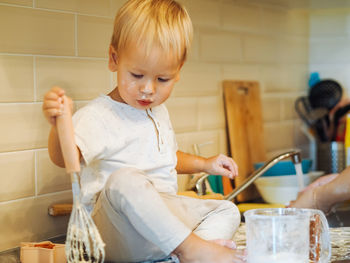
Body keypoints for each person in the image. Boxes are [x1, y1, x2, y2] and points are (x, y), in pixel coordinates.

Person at [42, 0, 245, 262]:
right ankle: (191, 249)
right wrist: (59, 125)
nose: (148, 89)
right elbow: (64, 159)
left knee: (226, 210)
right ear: (114, 59)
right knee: (124, 179)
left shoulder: (157, 112)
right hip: (116, 230)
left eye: (162, 79)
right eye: (137, 75)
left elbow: (167, 157)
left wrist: (205, 164)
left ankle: (183, 253)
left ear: (178, 72)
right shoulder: (99, 115)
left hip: (161, 229)